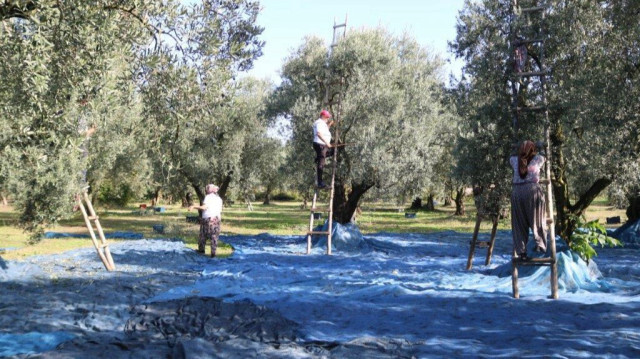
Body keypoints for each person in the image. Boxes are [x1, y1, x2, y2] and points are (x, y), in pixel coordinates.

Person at [510, 140, 547, 259]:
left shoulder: (514, 160)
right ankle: (540, 244)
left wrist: (516, 147)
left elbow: (511, 155)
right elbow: (545, 156)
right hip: (532, 191)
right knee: (538, 219)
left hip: (517, 192)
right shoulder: (538, 159)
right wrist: (541, 146)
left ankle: (521, 252)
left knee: (519, 223)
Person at [188, 184, 223, 257]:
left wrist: (194, 206)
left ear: (208, 190)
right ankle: (213, 254)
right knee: (214, 237)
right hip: (217, 219)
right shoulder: (219, 198)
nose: (205, 190)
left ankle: (201, 251)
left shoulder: (208, 197)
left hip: (208, 219)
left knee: (203, 235)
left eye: (206, 189)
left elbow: (204, 207)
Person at [312, 110, 335, 189]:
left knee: (332, 152)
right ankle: (320, 183)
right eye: (327, 117)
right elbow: (319, 134)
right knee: (321, 164)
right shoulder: (319, 123)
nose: (328, 119)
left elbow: (324, 131)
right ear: (323, 116)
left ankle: (318, 157)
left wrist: (329, 125)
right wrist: (327, 143)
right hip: (321, 144)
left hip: (322, 145)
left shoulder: (323, 123)